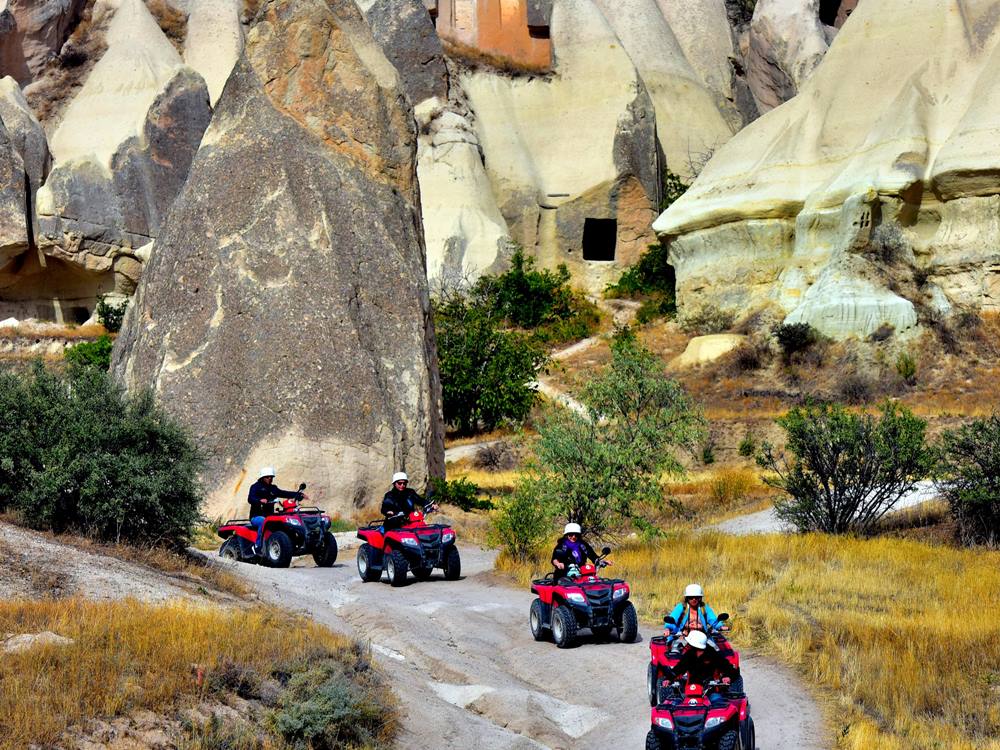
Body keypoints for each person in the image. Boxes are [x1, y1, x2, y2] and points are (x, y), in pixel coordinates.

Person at [664, 630, 739, 705]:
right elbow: (679, 668)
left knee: (718, 702)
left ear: (694, 644)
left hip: (710, 690)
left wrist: (728, 677)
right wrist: (668, 678)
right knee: (673, 703)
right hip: (691, 690)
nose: (687, 644)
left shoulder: (712, 654)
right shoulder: (689, 654)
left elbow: (731, 670)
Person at [247, 467, 306, 554]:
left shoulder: (273, 488)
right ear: (262, 477)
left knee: (285, 522)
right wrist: (259, 500)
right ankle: (257, 546)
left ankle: (289, 544)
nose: (270, 478)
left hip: (270, 516)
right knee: (263, 521)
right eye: (267, 477)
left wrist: (298, 494)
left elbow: (284, 493)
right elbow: (250, 498)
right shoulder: (255, 487)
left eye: (271, 477)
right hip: (256, 517)